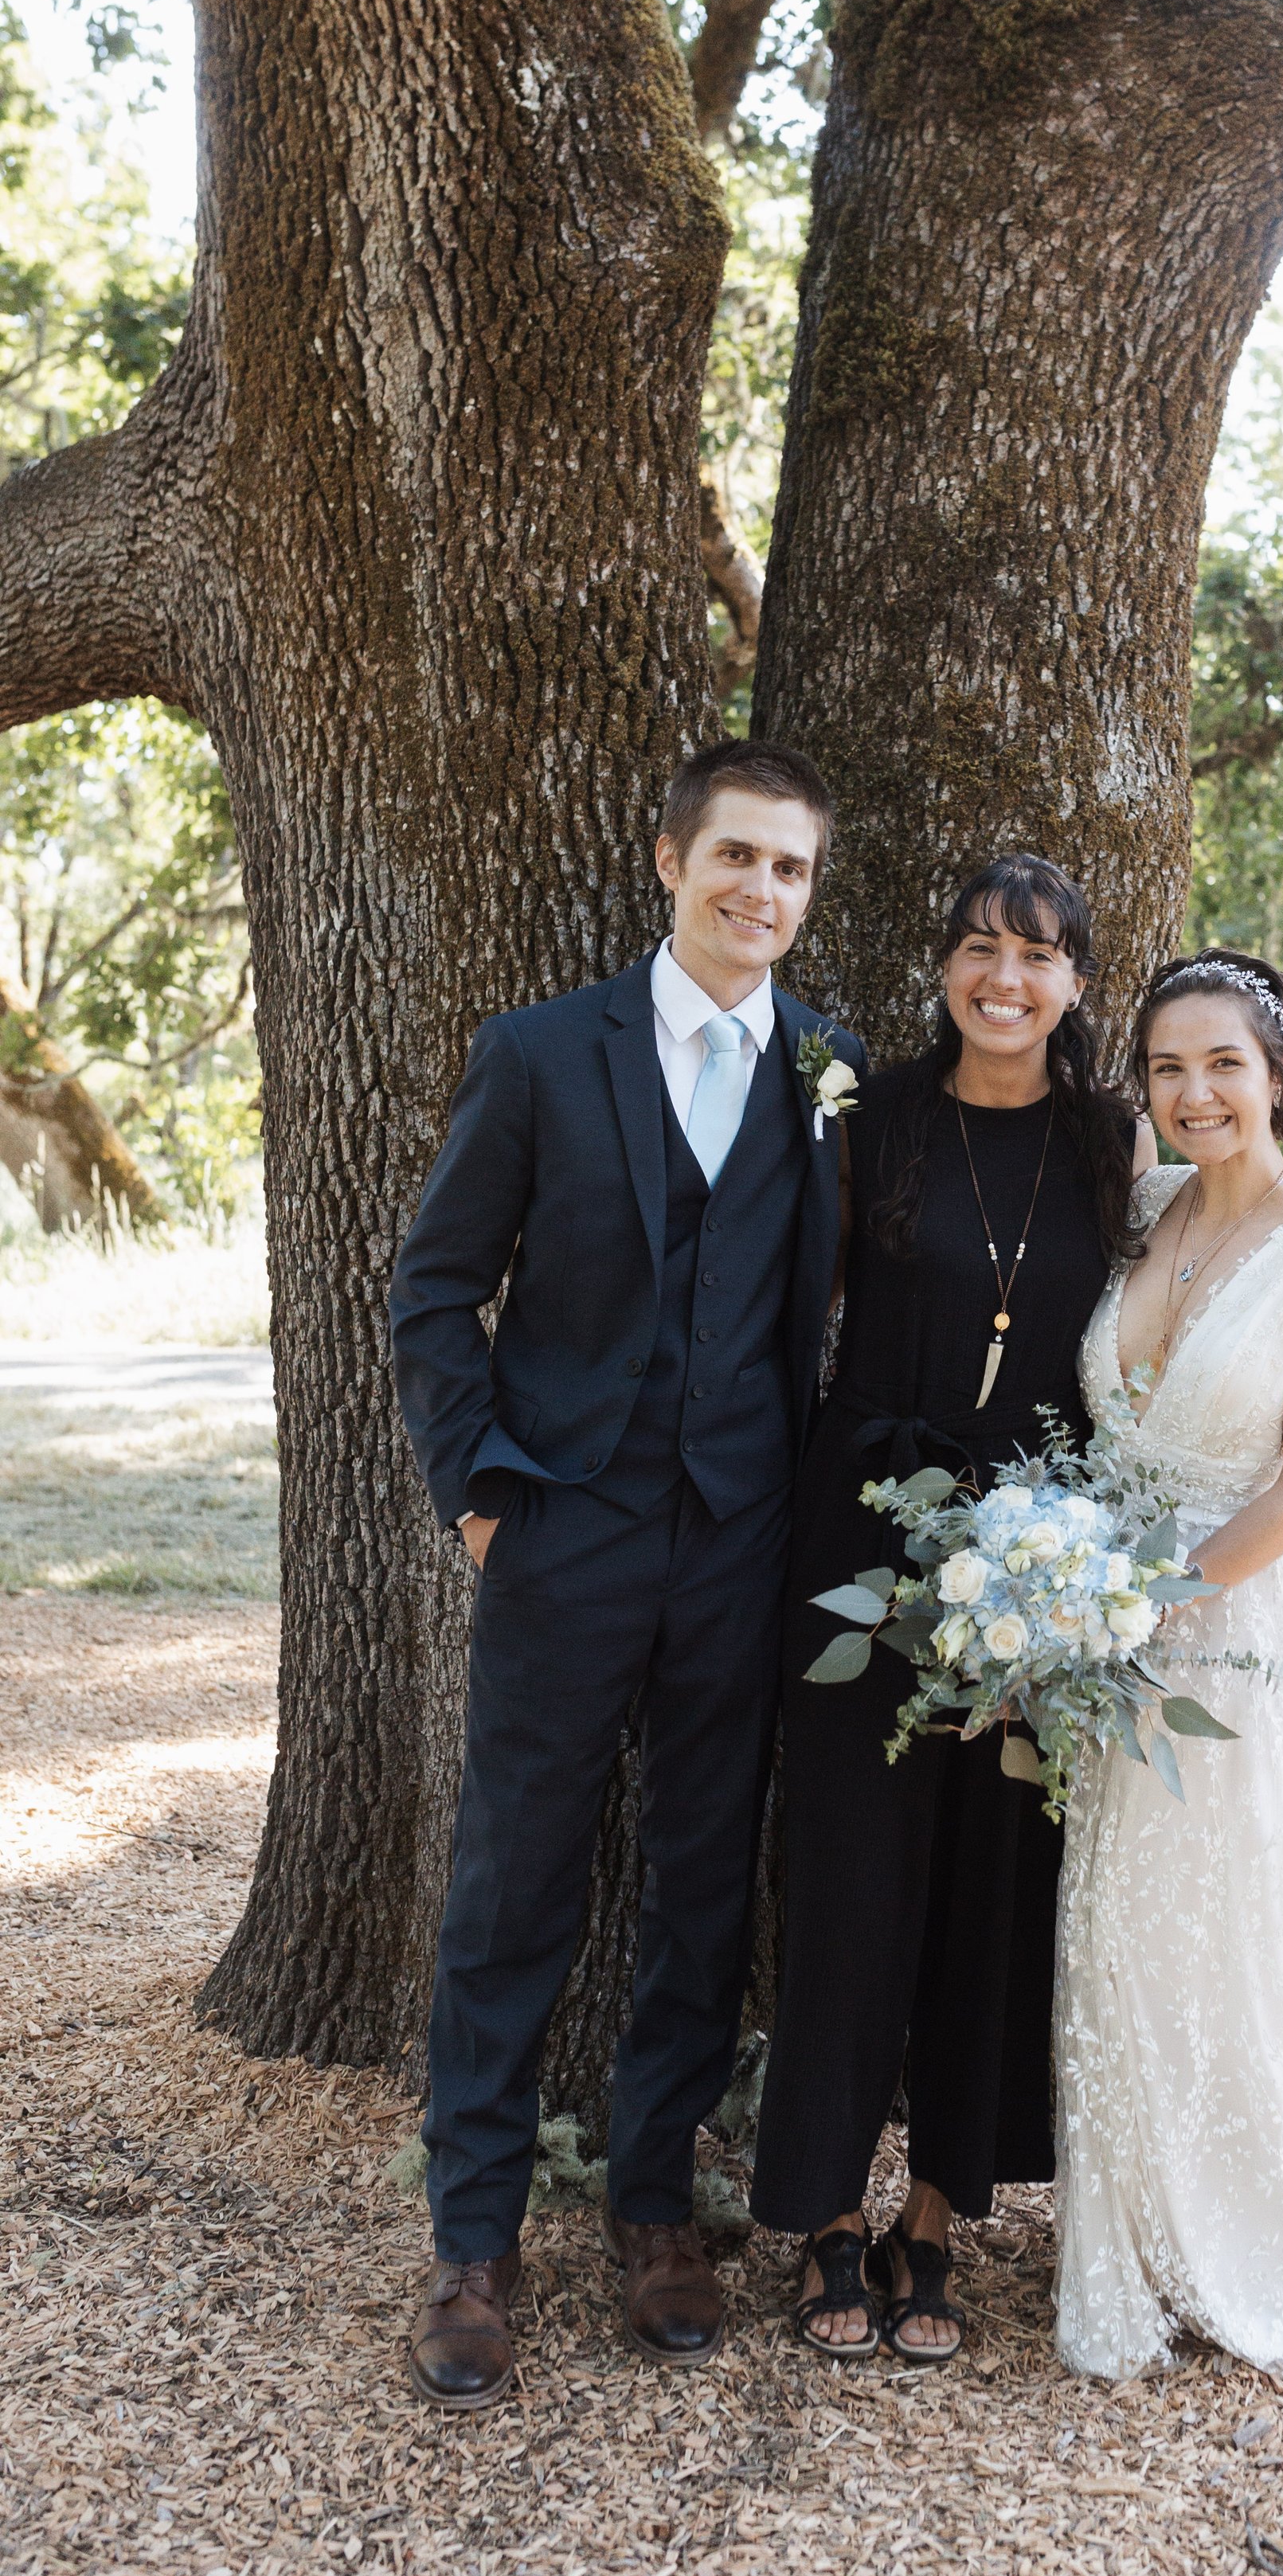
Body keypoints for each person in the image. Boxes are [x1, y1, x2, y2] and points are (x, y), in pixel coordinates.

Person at [387, 741, 863, 2408]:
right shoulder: (539, 1053)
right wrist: (480, 1498)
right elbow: (434, 1288)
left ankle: (656, 2209)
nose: (761, 889)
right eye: (737, 855)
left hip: (741, 1544)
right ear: (671, 861)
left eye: (790, 867)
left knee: (701, 1884)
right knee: (513, 1884)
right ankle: (473, 2238)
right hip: (563, 1530)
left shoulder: (830, 1072)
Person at [750, 855, 1155, 2365]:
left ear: (1076, 983)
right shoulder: (869, 1111)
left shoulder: (1113, 1140)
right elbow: (792, 1300)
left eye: (1038, 956)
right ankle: (822, 2210)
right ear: (944, 966)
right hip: (861, 1521)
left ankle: (935, 2211)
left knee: (995, 1873)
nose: (1005, 978)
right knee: (850, 1871)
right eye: (980, 947)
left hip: (1037, 1553)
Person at [1054, 945, 1283, 2377]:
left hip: (1228, 1632)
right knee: (1123, 1933)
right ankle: (1143, 2231)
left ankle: (1258, 2229)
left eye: (1224, 1062)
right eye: (1168, 1067)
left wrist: (1146, 1600)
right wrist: (1073, 1595)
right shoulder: (1137, 1209)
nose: (1196, 1091)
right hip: (1098, 1631)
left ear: (1280, 1073)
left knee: (1230, 1930)